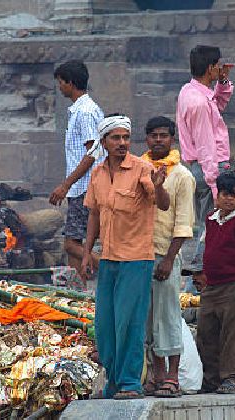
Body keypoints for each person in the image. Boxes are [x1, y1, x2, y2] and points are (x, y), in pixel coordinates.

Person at [81, 114, 170, 400]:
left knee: (129, 323)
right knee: (105, 327)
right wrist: (86, 253)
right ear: (104, 142)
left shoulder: (142, 168)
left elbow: (163, 204)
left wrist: (158, 185)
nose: (122, 143)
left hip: (136, 259)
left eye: (125, 138)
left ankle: (131, 383)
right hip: (108, 259)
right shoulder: (97, 173)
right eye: (115, 138)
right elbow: (94, 214)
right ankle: (114, 381)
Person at [140, 117, 195, 398]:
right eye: (153, 135)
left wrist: (169, 260)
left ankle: (171, 377)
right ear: (147, 139)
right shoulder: (139, 170)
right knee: (147, 319)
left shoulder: (182, 176)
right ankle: (155, 375)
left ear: (171, 139)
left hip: (165, 256)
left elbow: (184, 224)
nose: (158, 140)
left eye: (163, 135)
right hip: (139, 256)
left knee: (168, 316)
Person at [194, 170, 235, 394]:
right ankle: (210, 378)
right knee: (206, 333)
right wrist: (200, 275)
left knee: (231, 334)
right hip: (210, 287)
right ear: (217, 195)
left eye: (234, 195)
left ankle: (231, 377)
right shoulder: (211, 220)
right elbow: (205, 248)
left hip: (231, 287)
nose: (229, 199)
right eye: (225, 194)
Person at [49, 60, 104, 273]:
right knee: (75, 246)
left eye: (61, 82)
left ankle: (112, 268)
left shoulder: (86, 112)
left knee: (71, 244)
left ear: (70, 83)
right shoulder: (80, 110)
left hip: (84, 187)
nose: (59, 87)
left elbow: (93, 153)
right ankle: (75, 295)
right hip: (79, 188)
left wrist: (66, 185)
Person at [176, 45, 234, 235]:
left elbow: (217, 107)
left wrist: (223, 81)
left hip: (200, 167)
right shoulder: (199, 102)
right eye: (217, 65)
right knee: (212, 225)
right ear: (210, 68)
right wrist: (215, 186)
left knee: (207, 222)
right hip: (209, 168)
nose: (220, 68)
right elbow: (205, 146)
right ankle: (199, 264)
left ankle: (199, 262)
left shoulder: (189, 91)